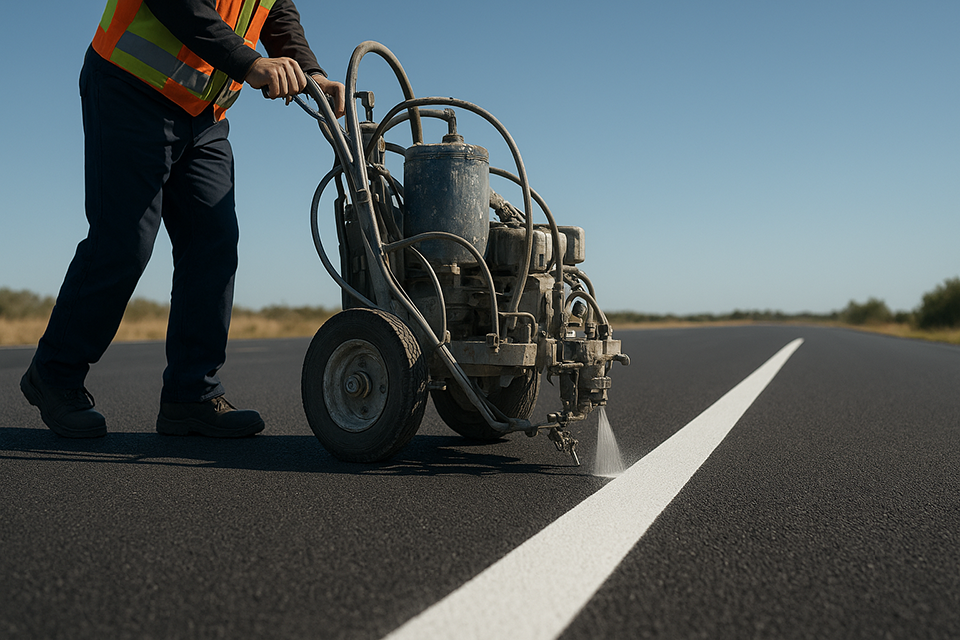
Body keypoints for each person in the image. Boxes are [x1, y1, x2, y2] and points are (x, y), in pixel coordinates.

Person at [20, 0, 345, 439]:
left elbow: (277, 10)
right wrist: (248, 63)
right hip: (130, 87)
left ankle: (190, 396)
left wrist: (311, 72)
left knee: (213, 243)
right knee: (125, 240)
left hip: (204, 113)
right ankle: (54, 373)